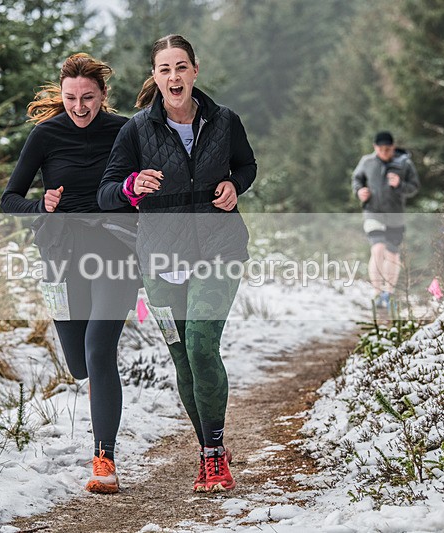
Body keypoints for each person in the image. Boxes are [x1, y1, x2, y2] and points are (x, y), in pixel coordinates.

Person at [98, 35, 256, 493]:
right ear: (155, 76)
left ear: (195, 71)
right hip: (161, 260)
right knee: (183, 358)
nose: (173, 77)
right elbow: (107, 192)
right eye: (164, 69)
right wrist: (130, 186)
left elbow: (246, 165)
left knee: (202, 345)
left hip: (219, 250)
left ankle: (213, 456)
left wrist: (235, 186)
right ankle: (210, 449)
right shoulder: (136, 132)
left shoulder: (224, 121)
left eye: (181, 67)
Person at [0, 53, 138, 494]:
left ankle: (104, 460)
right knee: (79, 364)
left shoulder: (124, 130)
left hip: (114, 249)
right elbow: (9, 198)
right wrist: (42, 205)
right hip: (60, 253)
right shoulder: (46, 135)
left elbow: (150, 181)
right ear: (61, 95)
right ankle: (100, 420)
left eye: (89, 98)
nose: (80, 107)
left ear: (103, 95)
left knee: (99, 351)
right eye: (71, 98)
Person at [351, 131, 420, 309]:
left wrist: (400, 185)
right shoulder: (367, 162)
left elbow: (414, 187)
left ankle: (388, 293)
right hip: (372, 212)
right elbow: (356, 180)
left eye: (388, 149)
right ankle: (376, 293)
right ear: (375, 148)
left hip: (395, 215)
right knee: (378, 248)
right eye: (380, 149)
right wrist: (360, 191)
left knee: (392, 254)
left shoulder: (404, 163)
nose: (384, 152)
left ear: (393, 147)